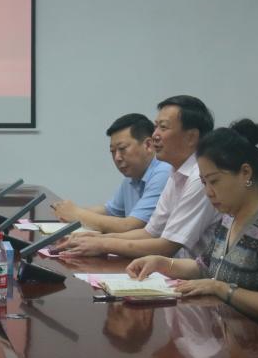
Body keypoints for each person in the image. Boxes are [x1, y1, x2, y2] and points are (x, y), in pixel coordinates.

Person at [128, 119, 258, 337]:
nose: (208, 192)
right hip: (229, 333)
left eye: (214, 181)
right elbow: (205, 267)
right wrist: (162, 263)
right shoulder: (230, 217)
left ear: (245, 173)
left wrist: (220, 288)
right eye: (204, 183)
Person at [59, 95, 220, 261]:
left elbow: (167, 246)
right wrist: (97, 239)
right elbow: (149, 233)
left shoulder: (198, 178)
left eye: (163, 127)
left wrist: (103, 244)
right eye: (156, 127)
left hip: (191, 273)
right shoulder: (176, 173)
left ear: (191, 137)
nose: (155, 135)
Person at [51, 113, 171, 233]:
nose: (117, 157)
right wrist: (67, 211)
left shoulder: (164, 172)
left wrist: (77, 214)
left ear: (148, 145)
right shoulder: (132, 176)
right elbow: (109, 211)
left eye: (122, 148)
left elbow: (131, 226)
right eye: (112, 151)